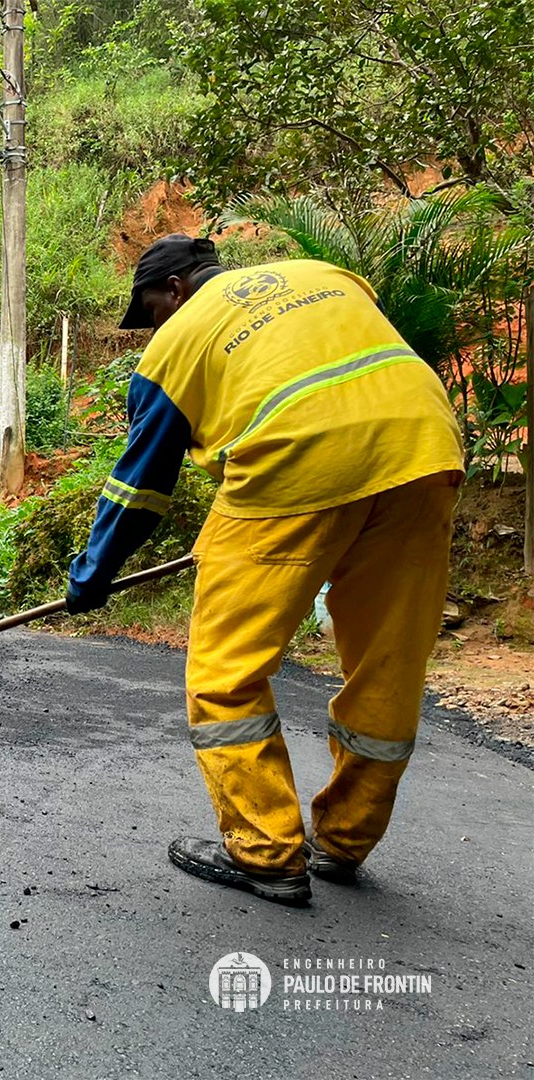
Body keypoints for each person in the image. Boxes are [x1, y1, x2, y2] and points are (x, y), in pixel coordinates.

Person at [66, 234, 464, 906]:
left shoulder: (178, 341)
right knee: (387, 662)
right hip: (423, 450)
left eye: (153, 309)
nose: (154, 327)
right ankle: (342, 840)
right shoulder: (327, 273)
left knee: (224, 671)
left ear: (177, 289)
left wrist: (93, 573)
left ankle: (264, 851)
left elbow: (141, 488)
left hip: (294, 461)